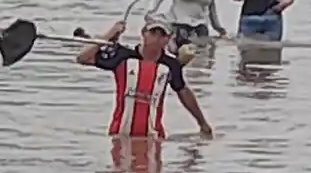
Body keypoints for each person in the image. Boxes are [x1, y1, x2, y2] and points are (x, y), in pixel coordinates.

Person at [74, 20, 213, 139]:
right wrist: (109, 34)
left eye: (162, 35)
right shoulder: (122, 55)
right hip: (120, 133)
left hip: (153, 136)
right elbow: (82, 58)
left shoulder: (170, 65)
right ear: (143, 33)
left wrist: (203, 123)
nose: (156, 38)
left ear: (168, 39)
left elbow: (183, 92)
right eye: (153, 33)